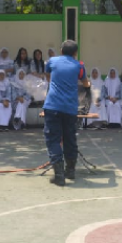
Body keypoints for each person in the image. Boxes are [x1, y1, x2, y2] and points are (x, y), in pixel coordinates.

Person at [43, 40, 89, 185]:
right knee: (70, 138)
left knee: (53, 139)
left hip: (53, 105)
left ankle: (59, 175)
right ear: (75, 53)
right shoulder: (79, 65)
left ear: (61, 50)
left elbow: (48, 77)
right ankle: (70, 171)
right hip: (70, 108)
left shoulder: (52, 61)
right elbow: (86, 84)